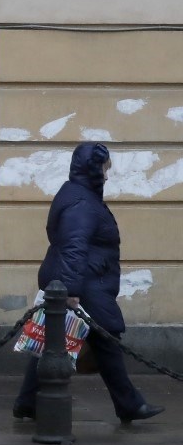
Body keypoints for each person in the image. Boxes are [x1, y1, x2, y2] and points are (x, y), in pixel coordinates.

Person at [13, 142, 163, 422]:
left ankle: (27, 402)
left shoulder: (79, 196)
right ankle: (129, 405)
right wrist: (70, 290)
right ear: (92, 169)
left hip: (84, 279)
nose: (106, 176)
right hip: (86, 283)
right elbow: (73, 246)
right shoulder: (81, 202)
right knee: (106, 340)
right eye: (104, 169)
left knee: (53, 341)